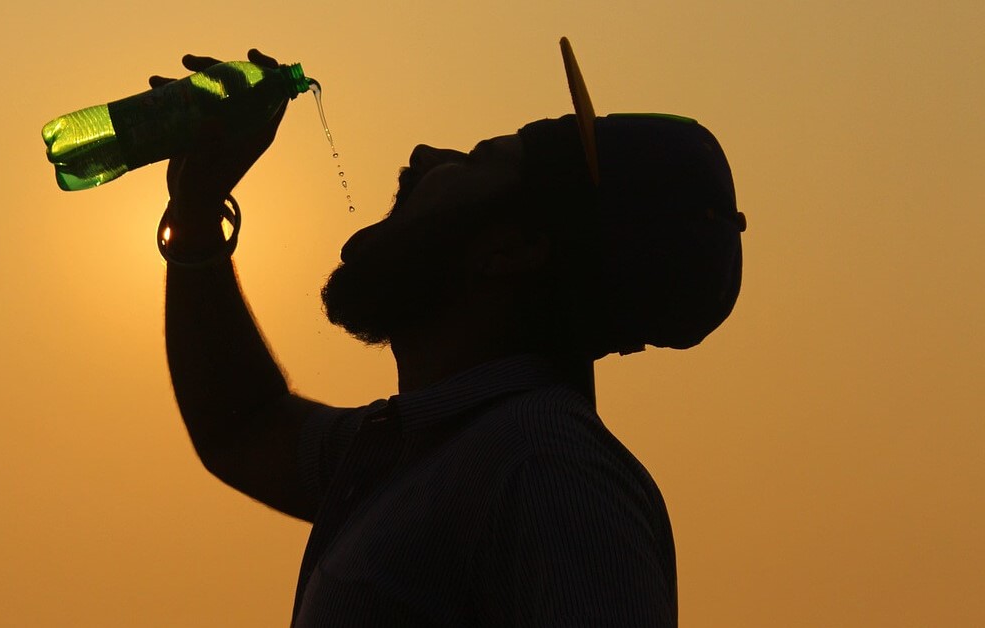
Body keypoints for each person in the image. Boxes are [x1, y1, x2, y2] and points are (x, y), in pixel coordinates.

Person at [155, 41, 745, 627]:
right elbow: (243, 426)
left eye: (475, 160)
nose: (424, 154)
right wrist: (196, 213)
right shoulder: (428, 449)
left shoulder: (551, 474)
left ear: (511, 250)